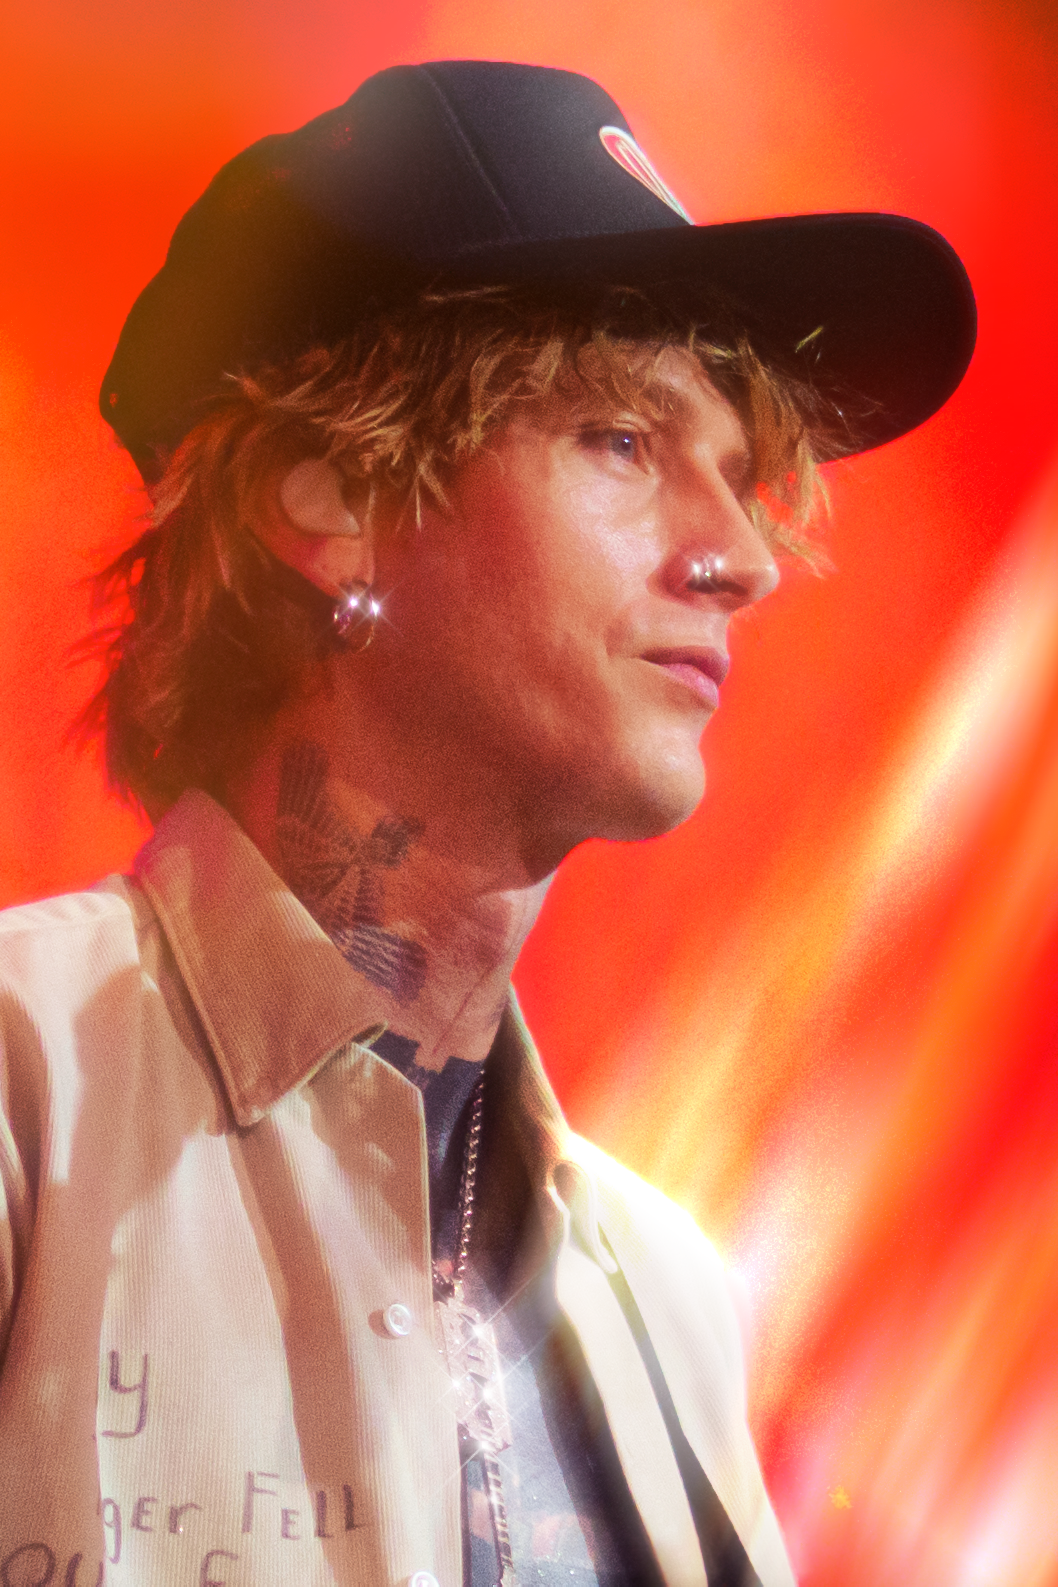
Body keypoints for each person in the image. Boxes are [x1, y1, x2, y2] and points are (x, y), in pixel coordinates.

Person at [0, 60, 974, 1587]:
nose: (739, 557)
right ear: (332, 498)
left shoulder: (666, 1298)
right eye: (623, 442)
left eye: (739, 475)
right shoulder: (24, 1084)